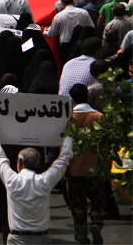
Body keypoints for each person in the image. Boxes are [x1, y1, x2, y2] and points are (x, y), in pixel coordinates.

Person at [0, 110, 75, 244]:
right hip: (41, 239)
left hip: (17, 240)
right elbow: (64, 157)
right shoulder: (45, 181)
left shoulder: (12, 180)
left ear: (19, 162)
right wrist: (69, 133)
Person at [67, 84, 105, 245]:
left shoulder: (69, 118)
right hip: (95, 168)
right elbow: (105, 144)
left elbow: (65, 144)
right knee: (97, 200)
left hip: (74, 169)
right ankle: (96, 222)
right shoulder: (99, 117)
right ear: (88, 97)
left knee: (78, 206)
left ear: (72, 100)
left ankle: (82, 237)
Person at [44, 0, 94, 65]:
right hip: (83, 45)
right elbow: (91, 28)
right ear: (73, 2)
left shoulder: (59, 16)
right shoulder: (84, 12)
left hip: (66, 46)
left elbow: (51, 34)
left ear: (62, 4)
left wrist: (45, 31)